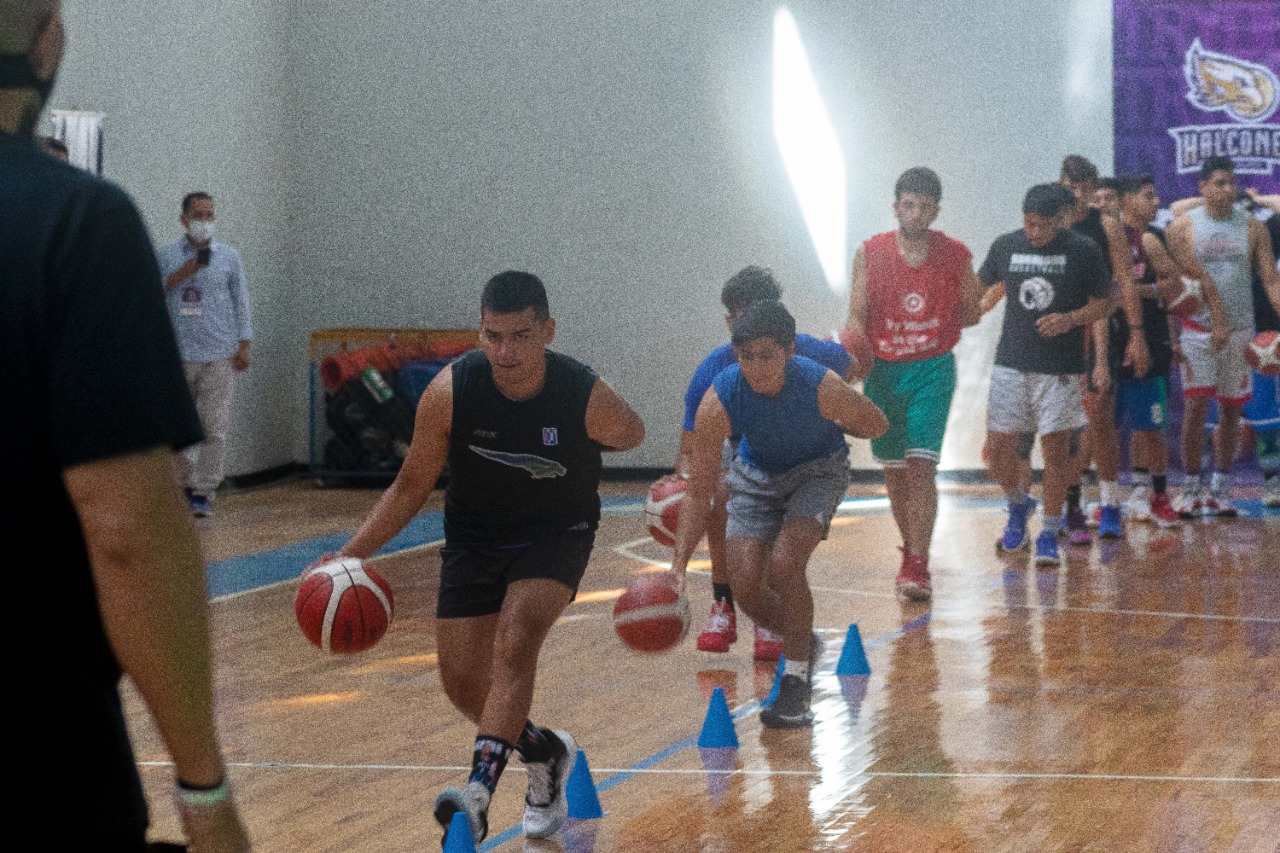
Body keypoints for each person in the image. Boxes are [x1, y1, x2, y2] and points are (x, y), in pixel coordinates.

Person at [1, 2, 250, 849]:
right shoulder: (73, 223)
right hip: (36, 759)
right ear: (48, 41)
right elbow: (128, 530)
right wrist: (204, 787)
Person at [329, 271, 644, 845]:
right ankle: (544, 754)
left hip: (555, 532)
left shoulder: (580, 391)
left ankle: (475, 798)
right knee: (462, 683)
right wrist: (345, 556)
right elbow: (408, 487)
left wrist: (586, 441)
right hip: (475, 536)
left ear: (548, 331)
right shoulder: (450, 393)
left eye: (521, 337)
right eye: (493, 336)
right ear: (480, 333)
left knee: (518, 637)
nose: (505, 352)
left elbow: (634, 433)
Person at [669, 300, 888, 727]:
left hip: (817, 471)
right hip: (755, 475)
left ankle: (795, 678)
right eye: (746, 356)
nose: (756, 366)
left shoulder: (820, 386)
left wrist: (843, 421)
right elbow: (698, 494)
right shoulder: (721, 399)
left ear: (790, 351)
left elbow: (878, 424)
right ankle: (801, 640)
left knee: (786, 564)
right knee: (746, 587)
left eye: (767, 355)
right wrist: (678, 563)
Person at [673, 266, 854, 659]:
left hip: (804, 456)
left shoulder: (808, 351)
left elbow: (853, 366)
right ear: (729, 321)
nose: (751, 326)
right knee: (720, 492)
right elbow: (690, 450)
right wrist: (680, 480)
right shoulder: (713, 370)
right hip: (742, 447)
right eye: (740, 318)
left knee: (779, 554)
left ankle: (782, 629)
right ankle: (724, 601)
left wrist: (842, 412)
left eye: (759, 314)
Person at [843, 166, 982, 601]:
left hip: (932, 368)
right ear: (896, 207)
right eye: (908, 204)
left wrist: (941, 320)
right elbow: (856, 318)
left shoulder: (957, 255)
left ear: (936, 211)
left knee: (922, 464)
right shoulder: (870, 253)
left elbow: (973, 311)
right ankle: (911, 551)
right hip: (884, 370)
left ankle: (918, 561)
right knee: (896, 472)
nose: (916, 212)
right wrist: (852, 357)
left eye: (925, 205)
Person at [980, 184, 1114, 567]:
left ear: (1061, 219)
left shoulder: (1083, 250)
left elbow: (1107, 302)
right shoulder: (1006, 245)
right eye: (1028, 224)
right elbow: (978, 288)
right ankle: (1019, 505)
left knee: (1055, 452)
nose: (1034, 233)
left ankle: (1050, 530)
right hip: (1010, 363)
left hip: (1059, 368)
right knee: (998, 452)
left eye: (1042, 226)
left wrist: (1071, 319)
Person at [1166, 156, 1280, 517]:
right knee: (1197, 407)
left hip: (1240, 329)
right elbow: (1172, 288)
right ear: (1202, 187)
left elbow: (1271, 280)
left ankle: (1219, 487)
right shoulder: (1183, 227)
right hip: (1198, 330)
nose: (1227, 189)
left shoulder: (1252, 229)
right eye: (1218, 183)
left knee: (1232, 409)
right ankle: (1190, 486)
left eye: (1231, 183)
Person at [1058, 155, 1149, 544]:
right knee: (1061, 426)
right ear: (1061, 185)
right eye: (1071, 186)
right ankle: (1070, 506)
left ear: (1094, 188)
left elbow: (1124, 284)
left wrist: (1136, 333)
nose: (1078, 193)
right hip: (1058, 332)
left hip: (1099, 328)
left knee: (1099, 418)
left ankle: (1110, 503)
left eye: (1085, 186)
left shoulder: (1107, 226)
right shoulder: (1050, 223)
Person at [156, 192, 253, 518]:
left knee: (215, 428)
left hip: (219, 354)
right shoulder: (166, 255)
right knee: (172, 429)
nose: (204, 220)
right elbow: (151, 296)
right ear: (183, 218)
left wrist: (244, 342)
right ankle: (182, 482)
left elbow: (241, 300)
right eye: (198, 214)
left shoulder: (228, 256)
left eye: (210, 214)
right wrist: (182, 274)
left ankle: (203, 491)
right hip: (177, 356)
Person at [1110, 174, 1183, 527]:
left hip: (1149, 339)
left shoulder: (1151, 239)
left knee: (1150, 424)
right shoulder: (1103, 239)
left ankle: (1157, 494)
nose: (1156, 202)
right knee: (1098, 425)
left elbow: (1174, 282)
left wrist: (1142, 291)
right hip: (1109, 338)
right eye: (1147, 196)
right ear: (1126, 200)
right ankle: (1099, 500)